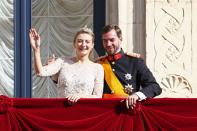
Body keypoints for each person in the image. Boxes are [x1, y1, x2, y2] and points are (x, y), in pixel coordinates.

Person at [29, 26, 104, 105]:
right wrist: (36, 49)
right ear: (74, 44)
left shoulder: (97, 68)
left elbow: (97, 96)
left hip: (84, 112)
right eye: (80, 41)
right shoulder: (62, 62)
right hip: (62, 110)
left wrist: (81, 96)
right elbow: (40, 72)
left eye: (87, 41)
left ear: (92, 45)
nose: (83, 44)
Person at [97, 24, 162, 109]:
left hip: (127, 111)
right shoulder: (98, 64)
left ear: (120, 39)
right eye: (105, 41)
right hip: (105, 111)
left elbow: (154, 87)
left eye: (112, 40)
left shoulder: (135, 61)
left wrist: (137, 95)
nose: (108, 44)